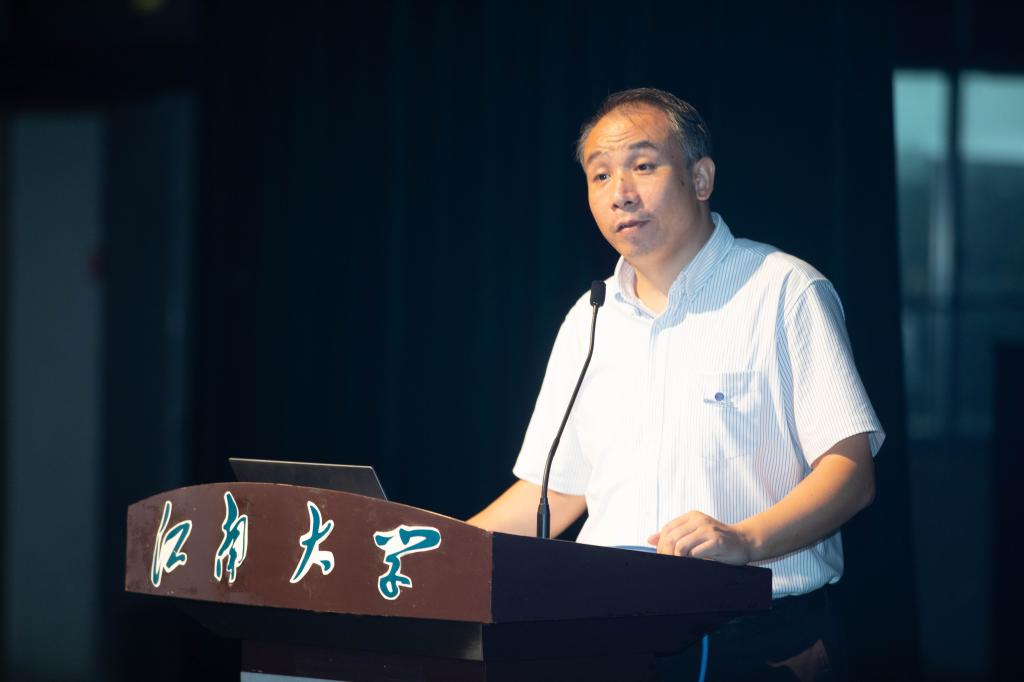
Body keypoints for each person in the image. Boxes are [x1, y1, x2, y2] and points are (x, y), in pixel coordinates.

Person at [467, 87, 882, 681]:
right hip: (607, 639)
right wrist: (436, 553)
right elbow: (553, 494)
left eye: (642, 165)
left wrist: (745, 539)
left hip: (758, 641)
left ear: (701, 178)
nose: (620, 192)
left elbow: (851, 472)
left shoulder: (783, 290)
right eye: (600, 175)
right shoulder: (590, 318)